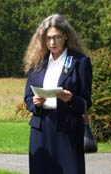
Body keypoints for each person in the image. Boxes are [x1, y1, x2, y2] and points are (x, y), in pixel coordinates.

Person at [24, 13, 92, 174]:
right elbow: (27, 98)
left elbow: (85, 103)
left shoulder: (80, 62)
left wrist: (70, 99)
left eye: (56, 37)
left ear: (66, 36)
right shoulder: (37, 63)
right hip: (41, 130)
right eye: (48, 38)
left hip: (68, 131)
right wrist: (35, 102)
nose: (52, 42)